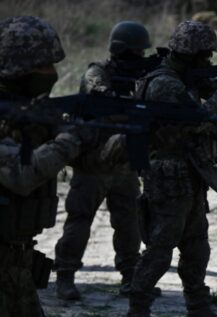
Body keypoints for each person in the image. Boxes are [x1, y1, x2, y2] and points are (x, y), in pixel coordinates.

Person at [122, 21, 217, 317]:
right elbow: (198, 119)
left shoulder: (178, 80)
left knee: (197, 247)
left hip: (189, 172)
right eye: (205, 56)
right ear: (190, 54)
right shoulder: (165, 84)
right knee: (160, 249)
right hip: (168, 175)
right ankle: (136, 313)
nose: (208, 62)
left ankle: (198, 310)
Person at [0, 15, 100, 317]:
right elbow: (20, 175)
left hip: (18, 264)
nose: (52, 74)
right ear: (17, 69)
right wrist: (71, 137)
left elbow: (91, 166)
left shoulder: (30, 115)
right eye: (43, 66)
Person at [53, 21, 161, 300]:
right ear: (121, 50)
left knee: (129, 223)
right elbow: (99, 94)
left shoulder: (142, 76)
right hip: (93, 163)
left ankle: (130, 276)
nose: (140, 56)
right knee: (79, 221)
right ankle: (65, 276)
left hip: (123, 163)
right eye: (136, 51)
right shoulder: (97, 72)